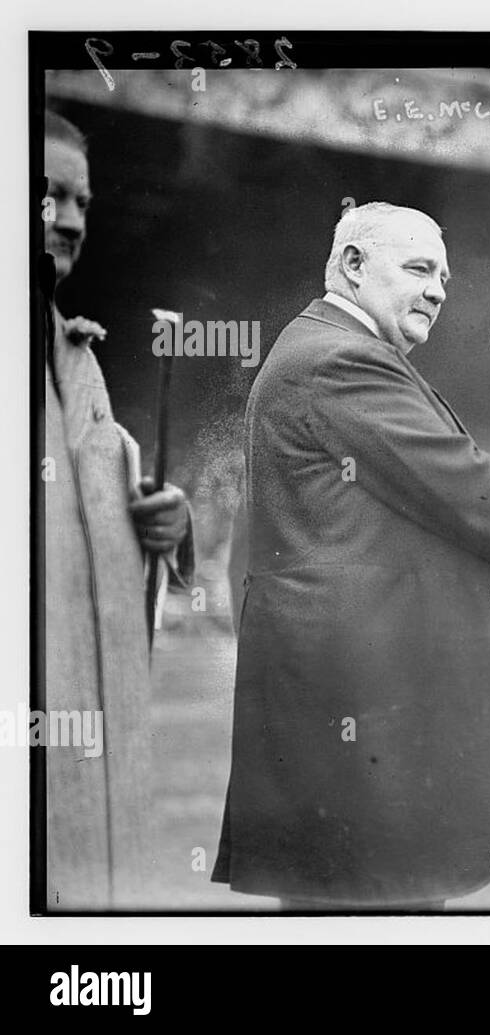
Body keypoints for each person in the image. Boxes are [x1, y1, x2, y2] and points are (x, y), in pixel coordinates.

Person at [212, 202, 490, 910]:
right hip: (356, 705)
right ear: (352, 266)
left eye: (445, 275)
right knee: (370, 901)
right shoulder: (338, 358)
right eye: (418, 268)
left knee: (363, 899)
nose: (439, 288)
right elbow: (456, 477)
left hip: (349, 701)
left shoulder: (325, 350)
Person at [42, 110, 193, 909]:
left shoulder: (79, 357)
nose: (68, 220)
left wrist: (164, 519)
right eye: (46, 195)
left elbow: (96, 499)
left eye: (82, 203)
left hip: (91, 724)